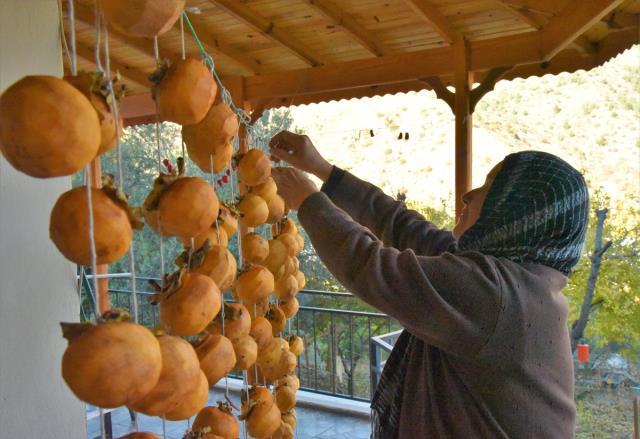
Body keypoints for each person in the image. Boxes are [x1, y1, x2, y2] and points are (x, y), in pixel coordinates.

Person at [269, 131, 589, 439]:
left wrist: (310, 202)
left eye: (489, 188)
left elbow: (373, 268)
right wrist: (323, 169)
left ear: (516, 211)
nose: (469, 195)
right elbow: (402, 225)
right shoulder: (514, 279)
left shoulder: (494, 294)